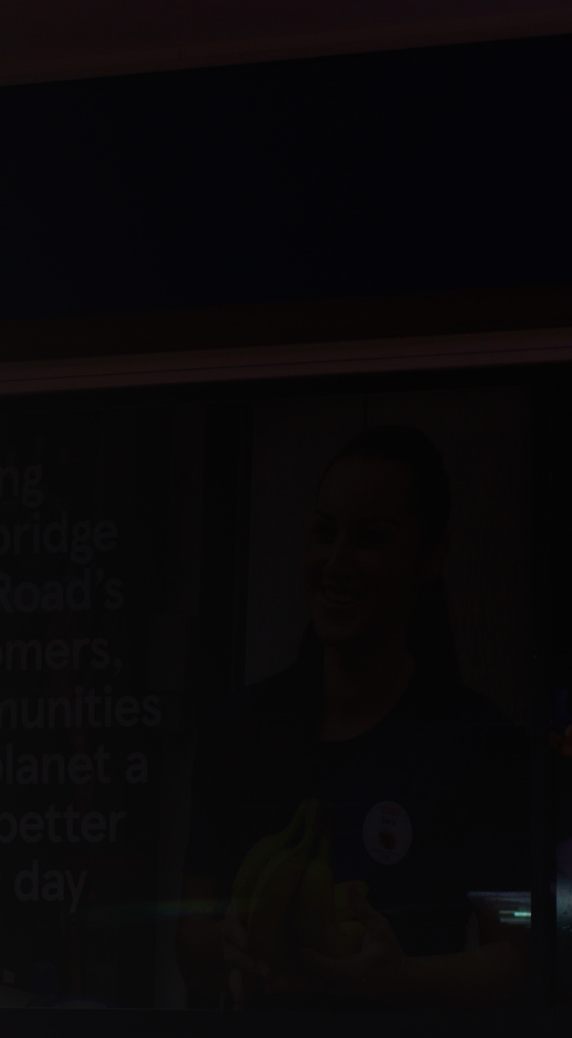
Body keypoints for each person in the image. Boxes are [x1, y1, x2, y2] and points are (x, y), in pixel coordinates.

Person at [178, 425, 525, 1008]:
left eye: (370, 538)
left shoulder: (477, 744)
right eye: (323, 532)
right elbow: (189, 942)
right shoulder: (236, 730)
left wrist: (404, 980)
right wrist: (230, 949)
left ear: (431, 554)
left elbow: (518, 961)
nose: (336, 563)